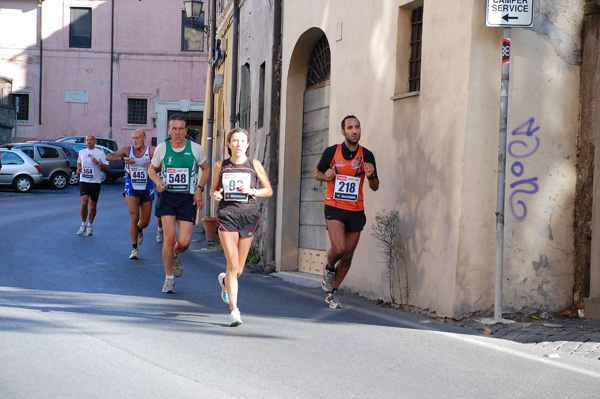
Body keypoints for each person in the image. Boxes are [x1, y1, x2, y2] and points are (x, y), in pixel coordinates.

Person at [314, 115, 379, 309]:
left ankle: (332, 292)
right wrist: (326, 176)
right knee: (340, 248)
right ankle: (329, 267)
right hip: (334, 207)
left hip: (356, 210)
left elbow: (375, 186)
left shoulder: (367, 155)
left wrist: (370, 175)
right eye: (350, 127)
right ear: (343, 131)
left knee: (349, 255)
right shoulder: (332, 152)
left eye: (357, 127)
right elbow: (317, 173)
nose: (355, 131)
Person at [211, 127, 273, 326]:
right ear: (229, 144)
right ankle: (234, 311)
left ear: (248, 145)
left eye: (242, 141)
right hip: (227, 216)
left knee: (238, 269)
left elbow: (268, 190)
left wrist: (252, 190)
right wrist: (215, 195)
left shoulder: (254, 165)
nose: (238, 144)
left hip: (248, 215)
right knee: (232, 262)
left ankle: (225, 282)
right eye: (235, 141)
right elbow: (214, 190)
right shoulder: (220, 165)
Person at [148, 114, 209, 293]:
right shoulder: (162, 149)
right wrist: (157, 181)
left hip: (186, 198)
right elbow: (152, 170)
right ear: (169, 130)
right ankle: (169, 279)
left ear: (186, 131)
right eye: (174, 129)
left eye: (181, 129)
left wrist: (200, 189)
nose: (177, 132)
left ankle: (176, 254)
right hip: (167, 196)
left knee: (183, 242)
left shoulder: (196, 149)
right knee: (169, 238)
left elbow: (205, 169)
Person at [106, 129, 155, 259]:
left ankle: (140, 229)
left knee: (144, 221)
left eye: (138, 138)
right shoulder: (127, 150)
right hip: (131, 187)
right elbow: (108, 156)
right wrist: (123, 158)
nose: (135, 140)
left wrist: (153, 166)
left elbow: (164, 164)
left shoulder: (151, 151)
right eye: (133, 138)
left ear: (144, 138)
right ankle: (134, 249)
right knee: (134, 216)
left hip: (147, 187)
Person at [76, 135, 110, 236]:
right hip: (84, 181)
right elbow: (78, 163)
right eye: (87, 140)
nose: (89, 142)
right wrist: (78, 168)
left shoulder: (100, 153)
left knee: (93, 206)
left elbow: (107, 167)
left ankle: (90, 225)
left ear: (94, 141)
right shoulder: (82, 152)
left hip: (95, 182)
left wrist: (98, 163)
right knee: (84, 203)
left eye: (90, 140)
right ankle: (83, 224)